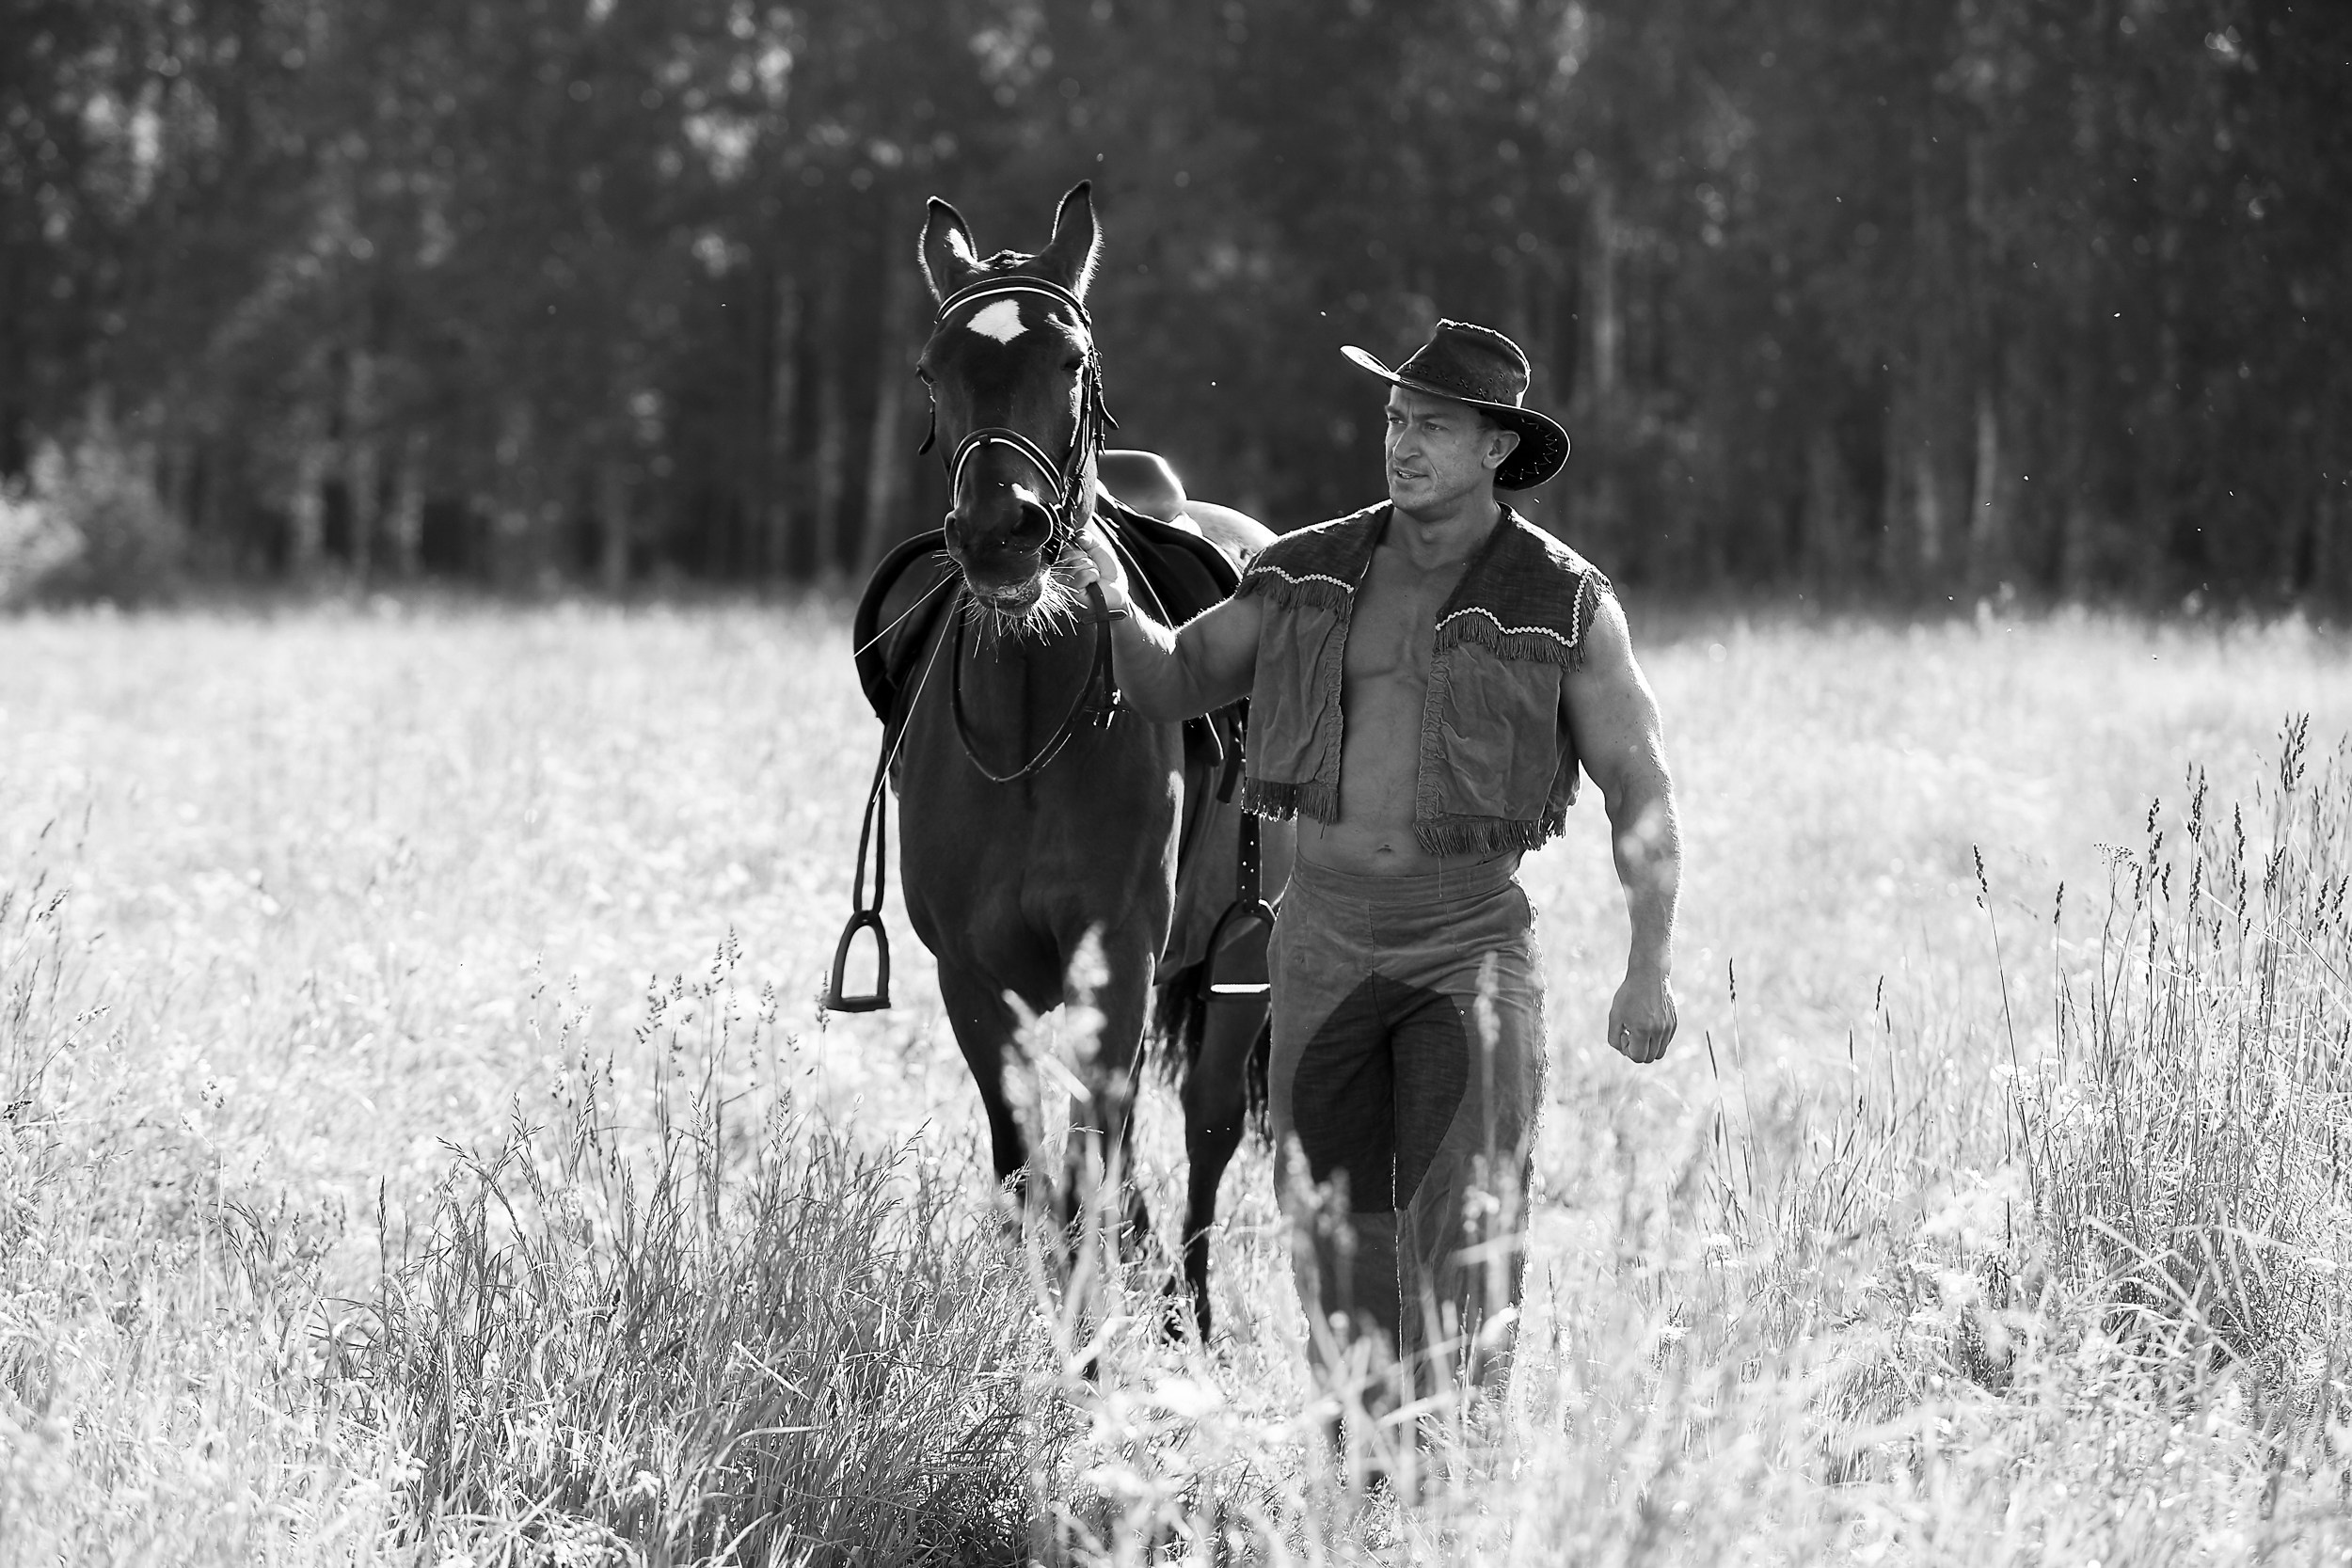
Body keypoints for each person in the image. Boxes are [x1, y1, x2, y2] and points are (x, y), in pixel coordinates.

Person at [1069, 319, 1681, 1416]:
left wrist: (1648, 967)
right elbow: (1173, 680)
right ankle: (1357, 1461)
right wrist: (1111, 593)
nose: (1402, 442)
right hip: (1321, 942)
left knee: (1466, 1216)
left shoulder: (1564, 599)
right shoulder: (1302, 570)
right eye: (1396, 419)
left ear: (1496, 447)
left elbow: (1640, 790)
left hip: (1467, 945)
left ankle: (1453, 1463)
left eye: (1432, 426)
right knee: (1333, 1219)